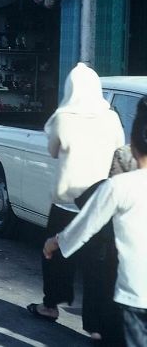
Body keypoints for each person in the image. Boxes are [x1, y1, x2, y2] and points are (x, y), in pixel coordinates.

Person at [26, 63, 125, 340]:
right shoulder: (112, 118)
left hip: (67, 199)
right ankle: (95, 326)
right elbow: (119, 149)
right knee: (97, 265)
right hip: (99, 200)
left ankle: (50, 306)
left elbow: (53, 150)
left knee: (54, 255)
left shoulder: (63, 118)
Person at [44, 96, 147, 347]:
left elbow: (85, 225)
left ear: (132, 144)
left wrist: (55, 242)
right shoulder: (108, 119)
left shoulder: (120, 186)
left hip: (134, 299)